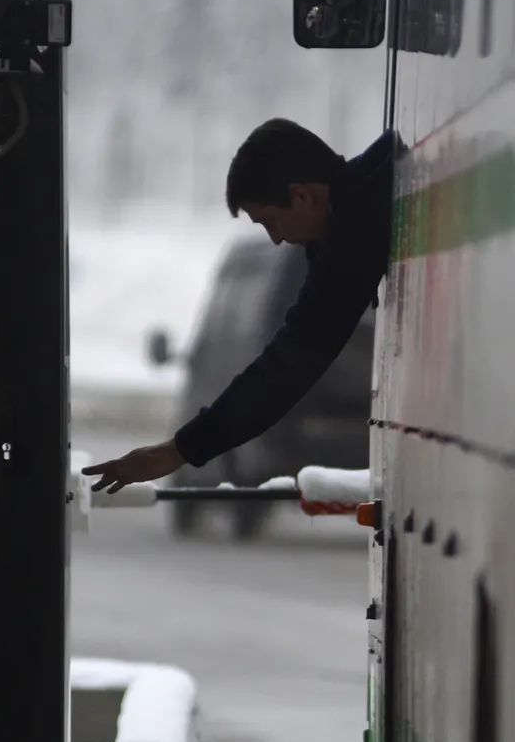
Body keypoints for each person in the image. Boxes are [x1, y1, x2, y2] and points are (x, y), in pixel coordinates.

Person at [84, 119, 397, 493]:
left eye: (270, 221)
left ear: (301, 196)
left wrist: (176, 451)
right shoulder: (378, 184)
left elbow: (289, 364)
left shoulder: (354, 230)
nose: (276, 239)